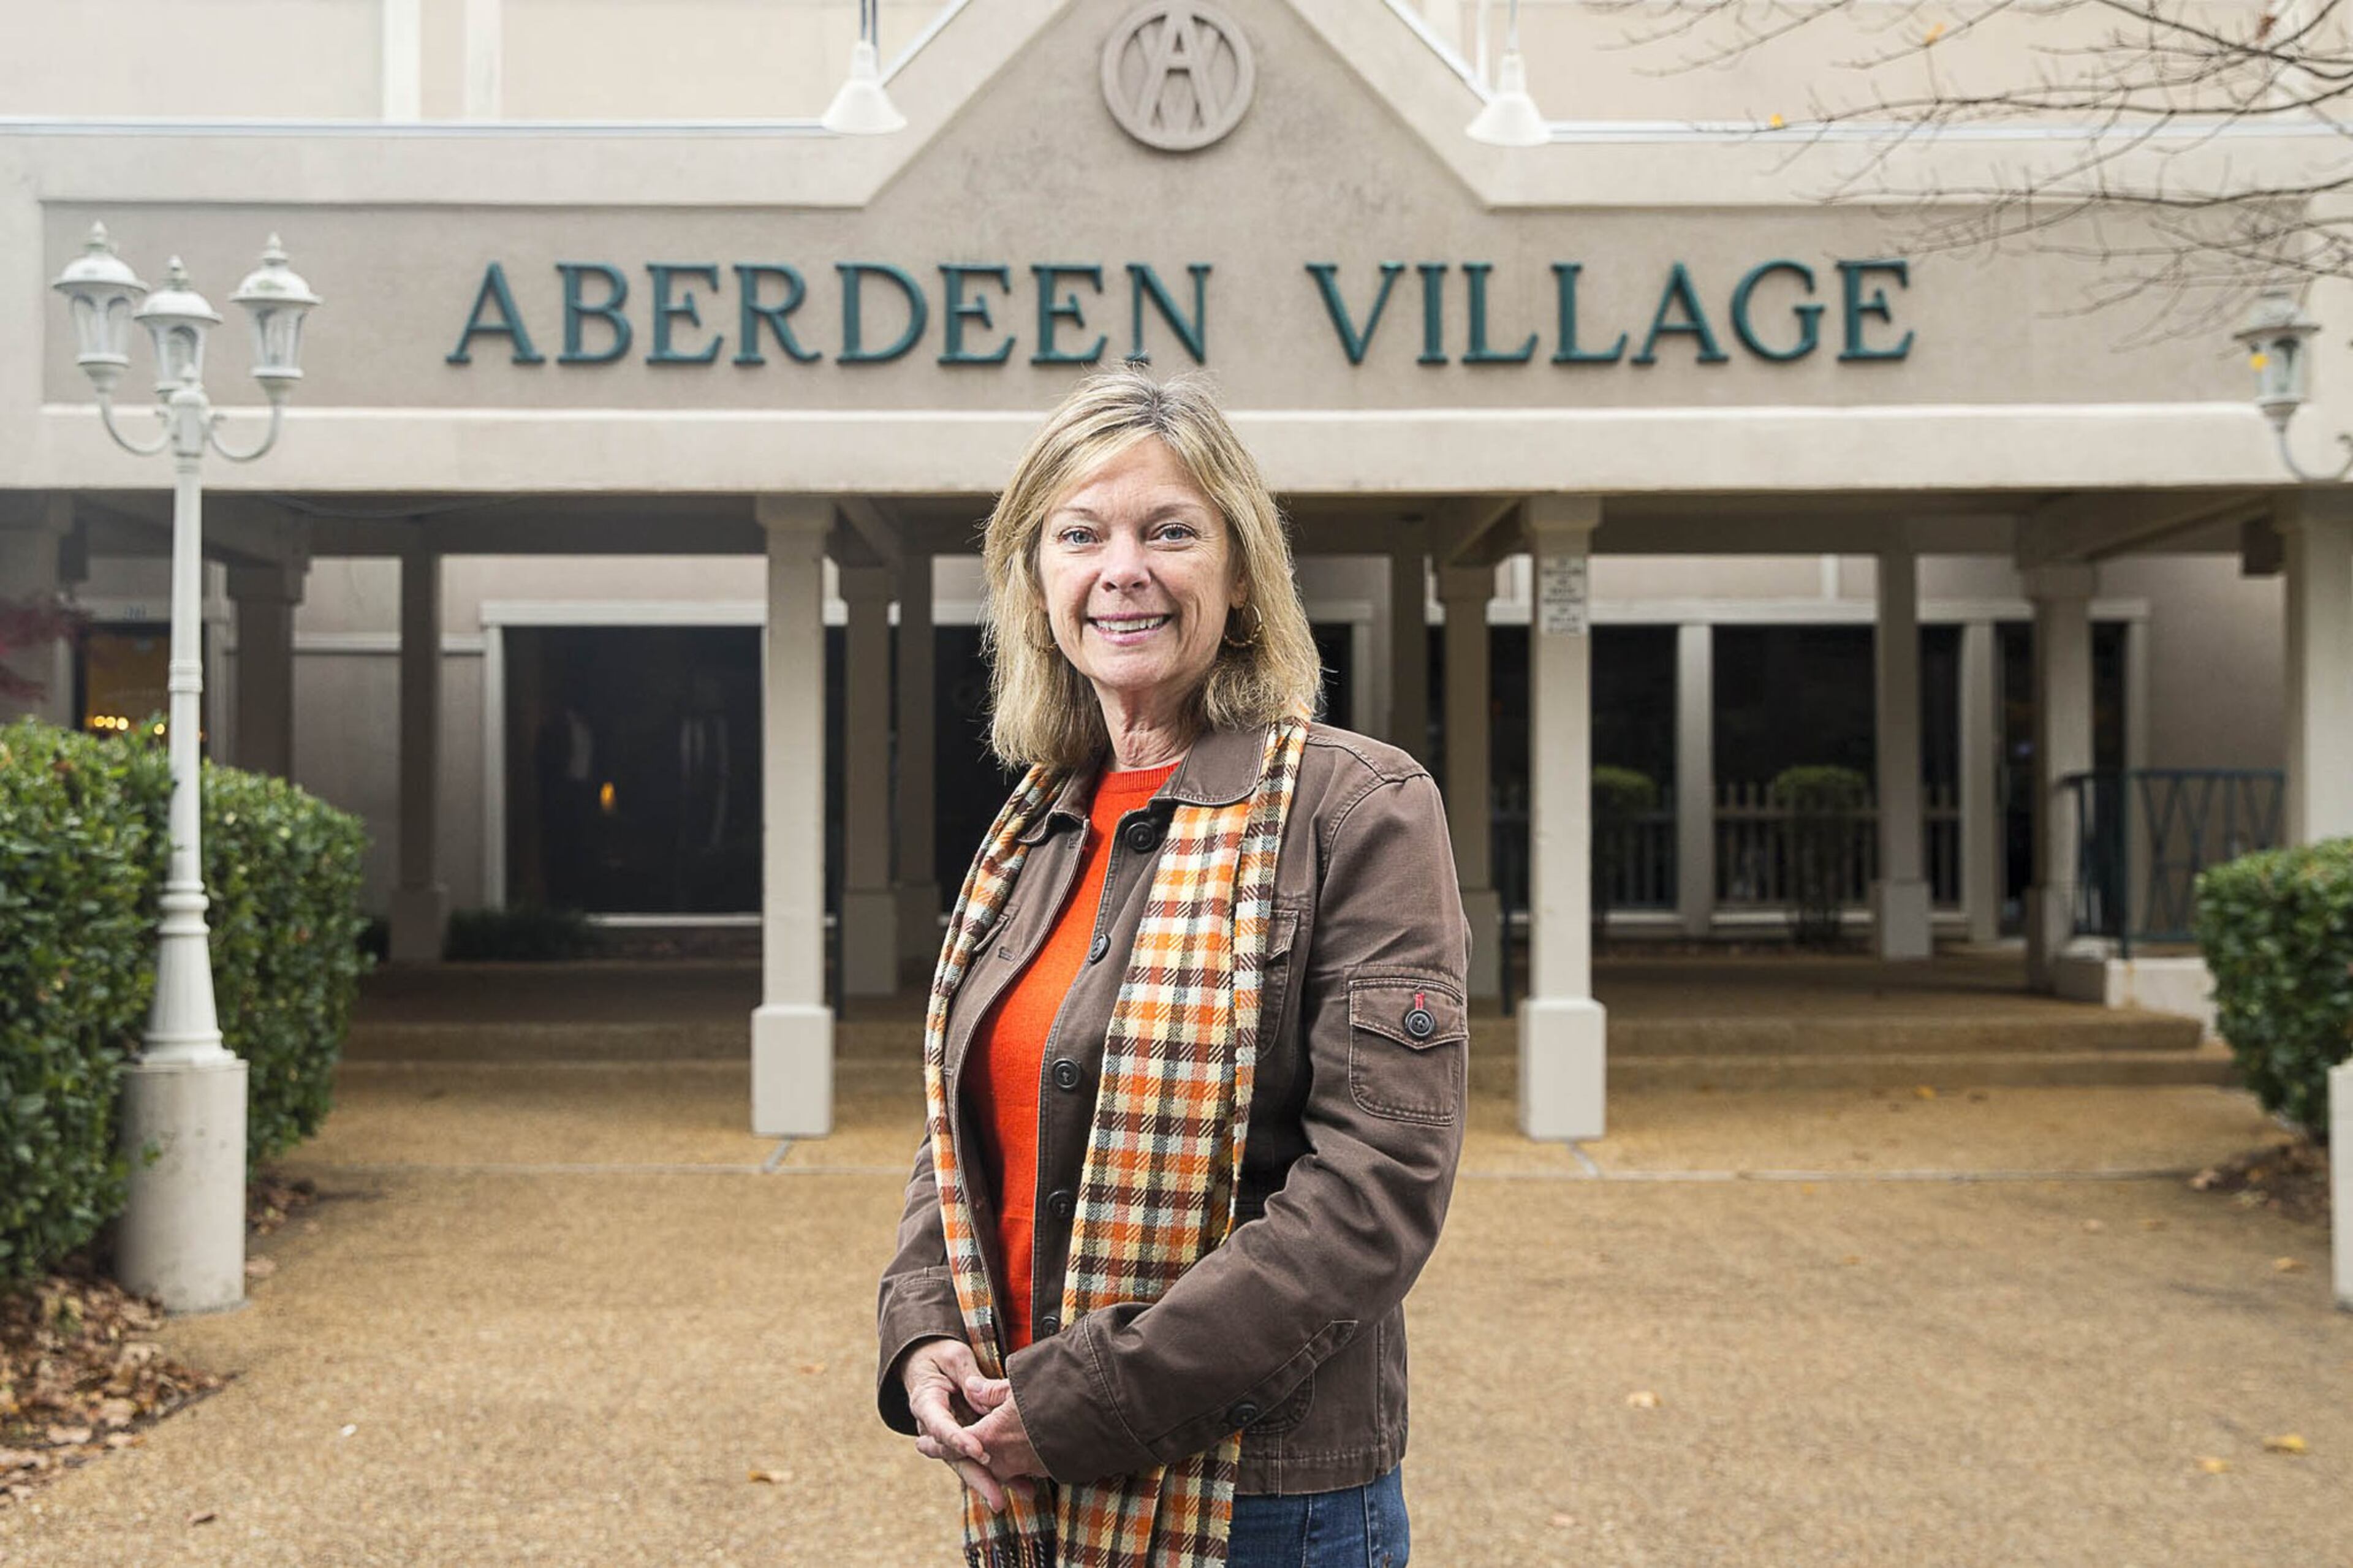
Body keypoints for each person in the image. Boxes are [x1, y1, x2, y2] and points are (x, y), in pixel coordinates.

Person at [876, 367, 1469, 1568]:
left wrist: (1086, 1400)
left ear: (1240, 571)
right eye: (1080, 533)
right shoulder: (1037, 825)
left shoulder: (1360, 808)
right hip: (1027, 1472)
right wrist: (924, 1319)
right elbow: (964, 1128)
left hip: (1263, 1498)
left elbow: (1375, 1189)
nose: (1122, 567)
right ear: (1037, 582)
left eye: (1171, 530)